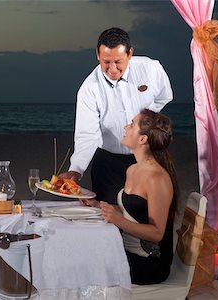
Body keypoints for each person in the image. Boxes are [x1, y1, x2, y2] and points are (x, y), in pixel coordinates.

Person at [60, 27, 173, 204]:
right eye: (106, 62)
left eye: (118, 61)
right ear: (97, 55)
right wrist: (76, 170)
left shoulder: (151, 69)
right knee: (108, 216)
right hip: (109, 162)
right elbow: (88, 134)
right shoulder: (89, 88)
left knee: (152, 212)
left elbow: (165, 96)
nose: (112, 69)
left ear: (130, 54)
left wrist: (145, 122)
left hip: (148, 156)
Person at [82, 109, 179, 285]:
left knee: (86, 263)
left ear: (143, 139)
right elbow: (132, 211)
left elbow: (157, 234)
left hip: (149, 263)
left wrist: (116, 220)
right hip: (125, 251)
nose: (126, 127)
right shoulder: (132, 169)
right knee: (82, 250)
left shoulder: (158, 178)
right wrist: (97, 205)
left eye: (132, 124)